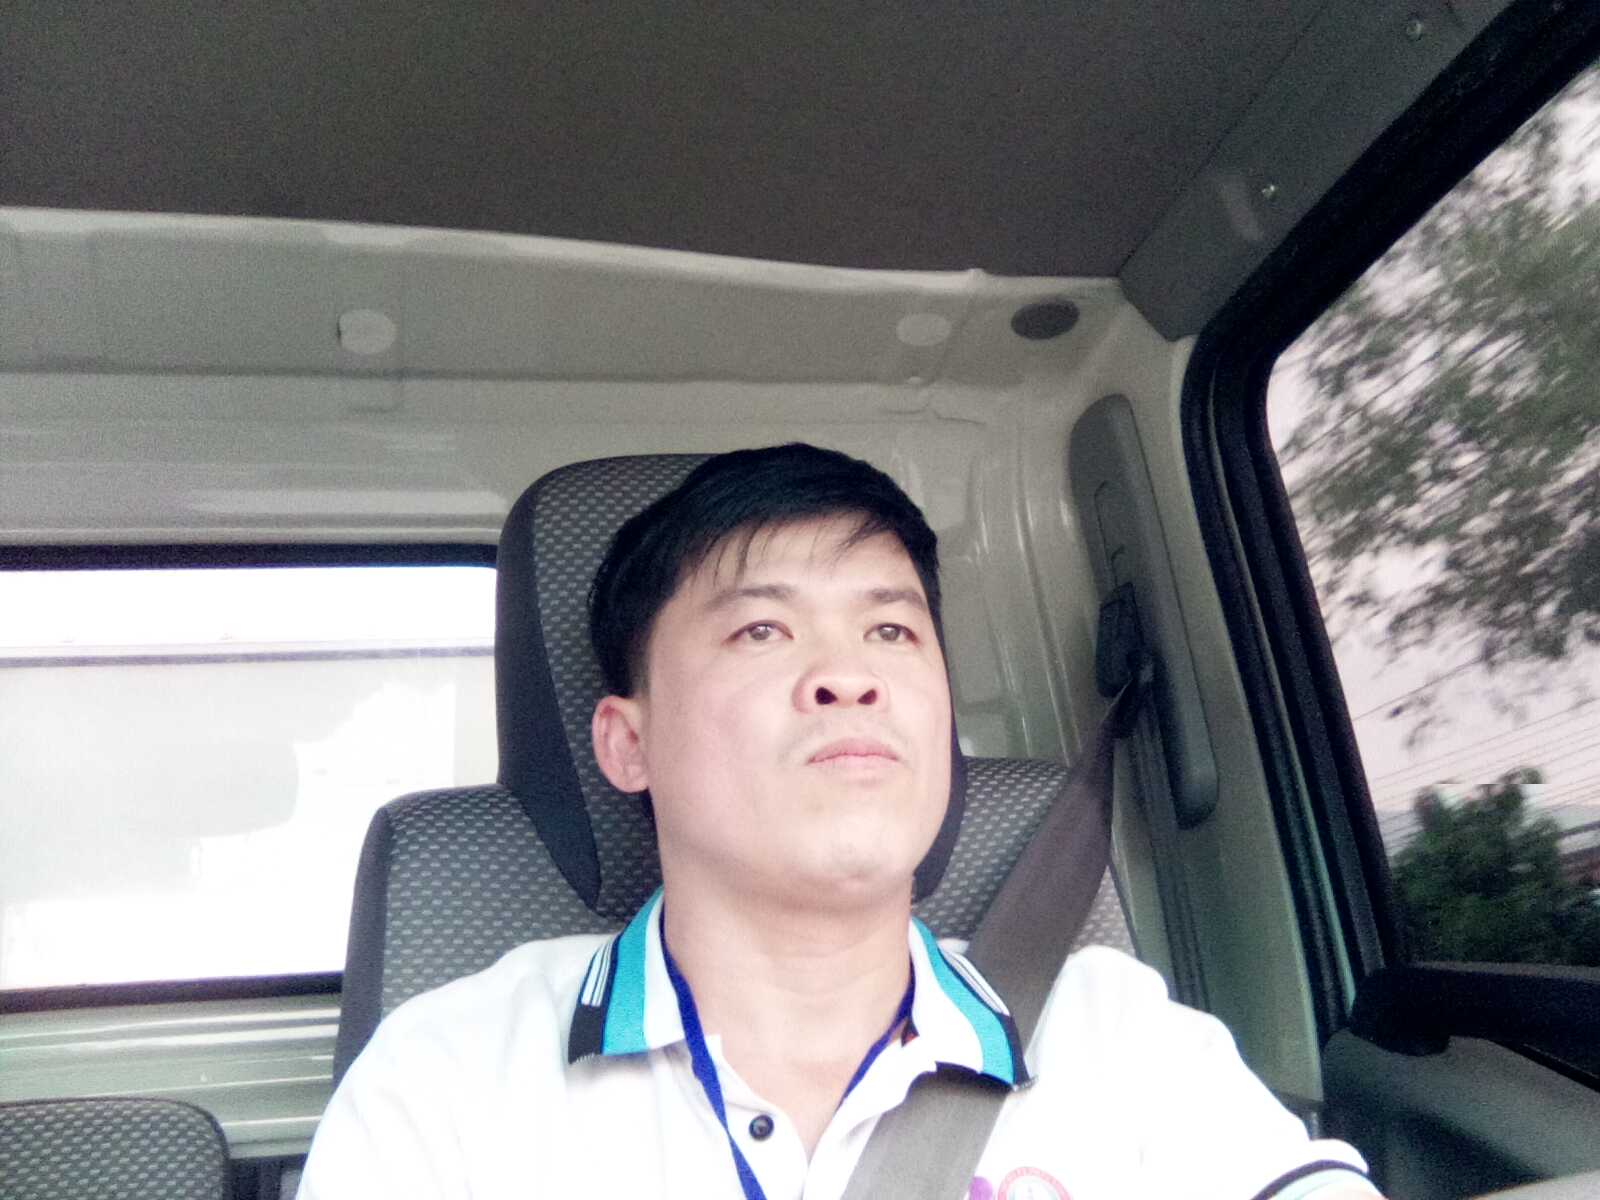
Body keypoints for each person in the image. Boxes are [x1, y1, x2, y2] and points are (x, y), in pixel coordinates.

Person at [298, 444, 1381, 1199]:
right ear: (627, 743)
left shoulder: (1113, 1032)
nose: (847, 676)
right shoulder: (449, 1076)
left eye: (892, 633)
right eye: (762, 630)